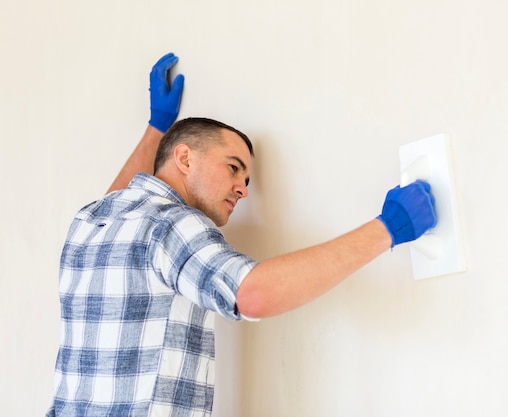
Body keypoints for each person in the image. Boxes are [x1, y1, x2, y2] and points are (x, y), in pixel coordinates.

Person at [46, 53, 437, 417]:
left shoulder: (91, 219)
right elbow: (251, 293)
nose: (243, 188)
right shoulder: (173, 223)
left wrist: (156, 129)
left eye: (247, 178)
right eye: (233, 167)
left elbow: (125, 192)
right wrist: (387, 229)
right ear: (184, 158)